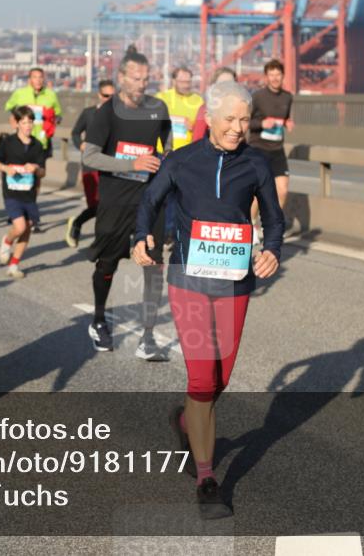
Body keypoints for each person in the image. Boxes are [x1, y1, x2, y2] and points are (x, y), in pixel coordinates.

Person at [133, 80, 282, 519]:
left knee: (220, 381)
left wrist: (272, 249)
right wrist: (141, 236)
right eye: (230, 119)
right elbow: (149, 202)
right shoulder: (181, 161)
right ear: (209, 118)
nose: (238, 128)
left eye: (245, 120)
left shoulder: (256, 164)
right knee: (201, 380)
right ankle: (206, 478)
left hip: (234, 283)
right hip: (187, 279)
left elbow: (274, 219)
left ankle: (186, 420)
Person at [81, 46, 172, 361]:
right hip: (115, 202)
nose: (142, 84)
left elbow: (168, 148)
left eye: (146, 78)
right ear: (121, 78)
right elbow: (89, 155)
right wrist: (132, 164)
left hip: (149, 203)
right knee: (107, 263)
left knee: (153, 265)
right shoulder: (106, 112)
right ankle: (98, 319)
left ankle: (147, 338)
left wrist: (166, 166)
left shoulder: (158, 109)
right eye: (136, 78)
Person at [0, 106, 47, 279]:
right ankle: (7, 241)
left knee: (27, 230)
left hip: (29, 194)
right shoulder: (8, 142)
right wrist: (7, 168)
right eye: (24, 122)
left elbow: (43, 171)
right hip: (12, 193)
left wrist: (36, 168)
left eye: (30, 122)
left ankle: (14, 265)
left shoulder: (37, 145)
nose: (28, 126)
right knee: (20, 226)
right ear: (16, 124)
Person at [248, 59, 294, 243]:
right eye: (271, 75)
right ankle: (250, 225)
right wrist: (261, 123)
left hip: (277, 149)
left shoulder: (288, 97)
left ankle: (271, 225)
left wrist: (288, 123)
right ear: (266, 77)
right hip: (259, 148)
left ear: (283, 76)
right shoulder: (258, 96)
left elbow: (286, 118)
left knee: (282, 191)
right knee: (258, 194)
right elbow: (246, 121)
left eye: (278, 75)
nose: (275, 78)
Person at [65, 80, 115, 248]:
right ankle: (77, 222)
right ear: (99, 95)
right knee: (95, 205)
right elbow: (75, 132)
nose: (110, 99)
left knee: (109, 205)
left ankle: (103, 241)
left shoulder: (120, 116)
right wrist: (80, 144)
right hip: (90, 165)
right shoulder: (88, 113)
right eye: (106, 96)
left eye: (113, 96)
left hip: (110, 165)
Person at [4, 66, 63, 154]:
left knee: (40, 166)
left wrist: (53, 122)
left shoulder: (51, 95)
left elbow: (58, 114)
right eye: (35, 77)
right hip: (23, 138)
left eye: (40, 77)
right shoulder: (20, 93)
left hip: (43, 139)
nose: (38, 80)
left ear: (44, 79)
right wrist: (18, 115)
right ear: (30, 79)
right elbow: (9, 107)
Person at [192, 67, 237, 143]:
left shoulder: (240, 108)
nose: (227, 87)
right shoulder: (205, 109)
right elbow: (197, 139)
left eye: (230, 83)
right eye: (222, 83)